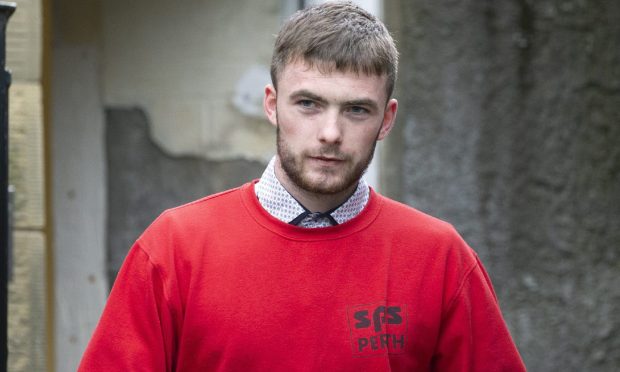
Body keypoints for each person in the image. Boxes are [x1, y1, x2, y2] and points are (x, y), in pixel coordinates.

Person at [79, 2, 526, 371]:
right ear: (272, 105)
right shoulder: (175, 248)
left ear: (386, 119)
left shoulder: (439, 258)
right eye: (308, 104)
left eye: (356, 110)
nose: (330, 133)